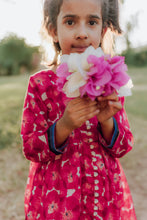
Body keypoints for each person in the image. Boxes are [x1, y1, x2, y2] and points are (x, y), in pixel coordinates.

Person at [21, 0, 137, 219]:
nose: (82, 33)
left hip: (103, 195)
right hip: (57, 198)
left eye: (92, 22)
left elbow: (123, 146)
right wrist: (63, 126)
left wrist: (107, 122)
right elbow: (30, 148)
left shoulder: (110, 82)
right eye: (71, 21)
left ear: (103, 30)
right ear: (54, 31)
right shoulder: (40, 85)